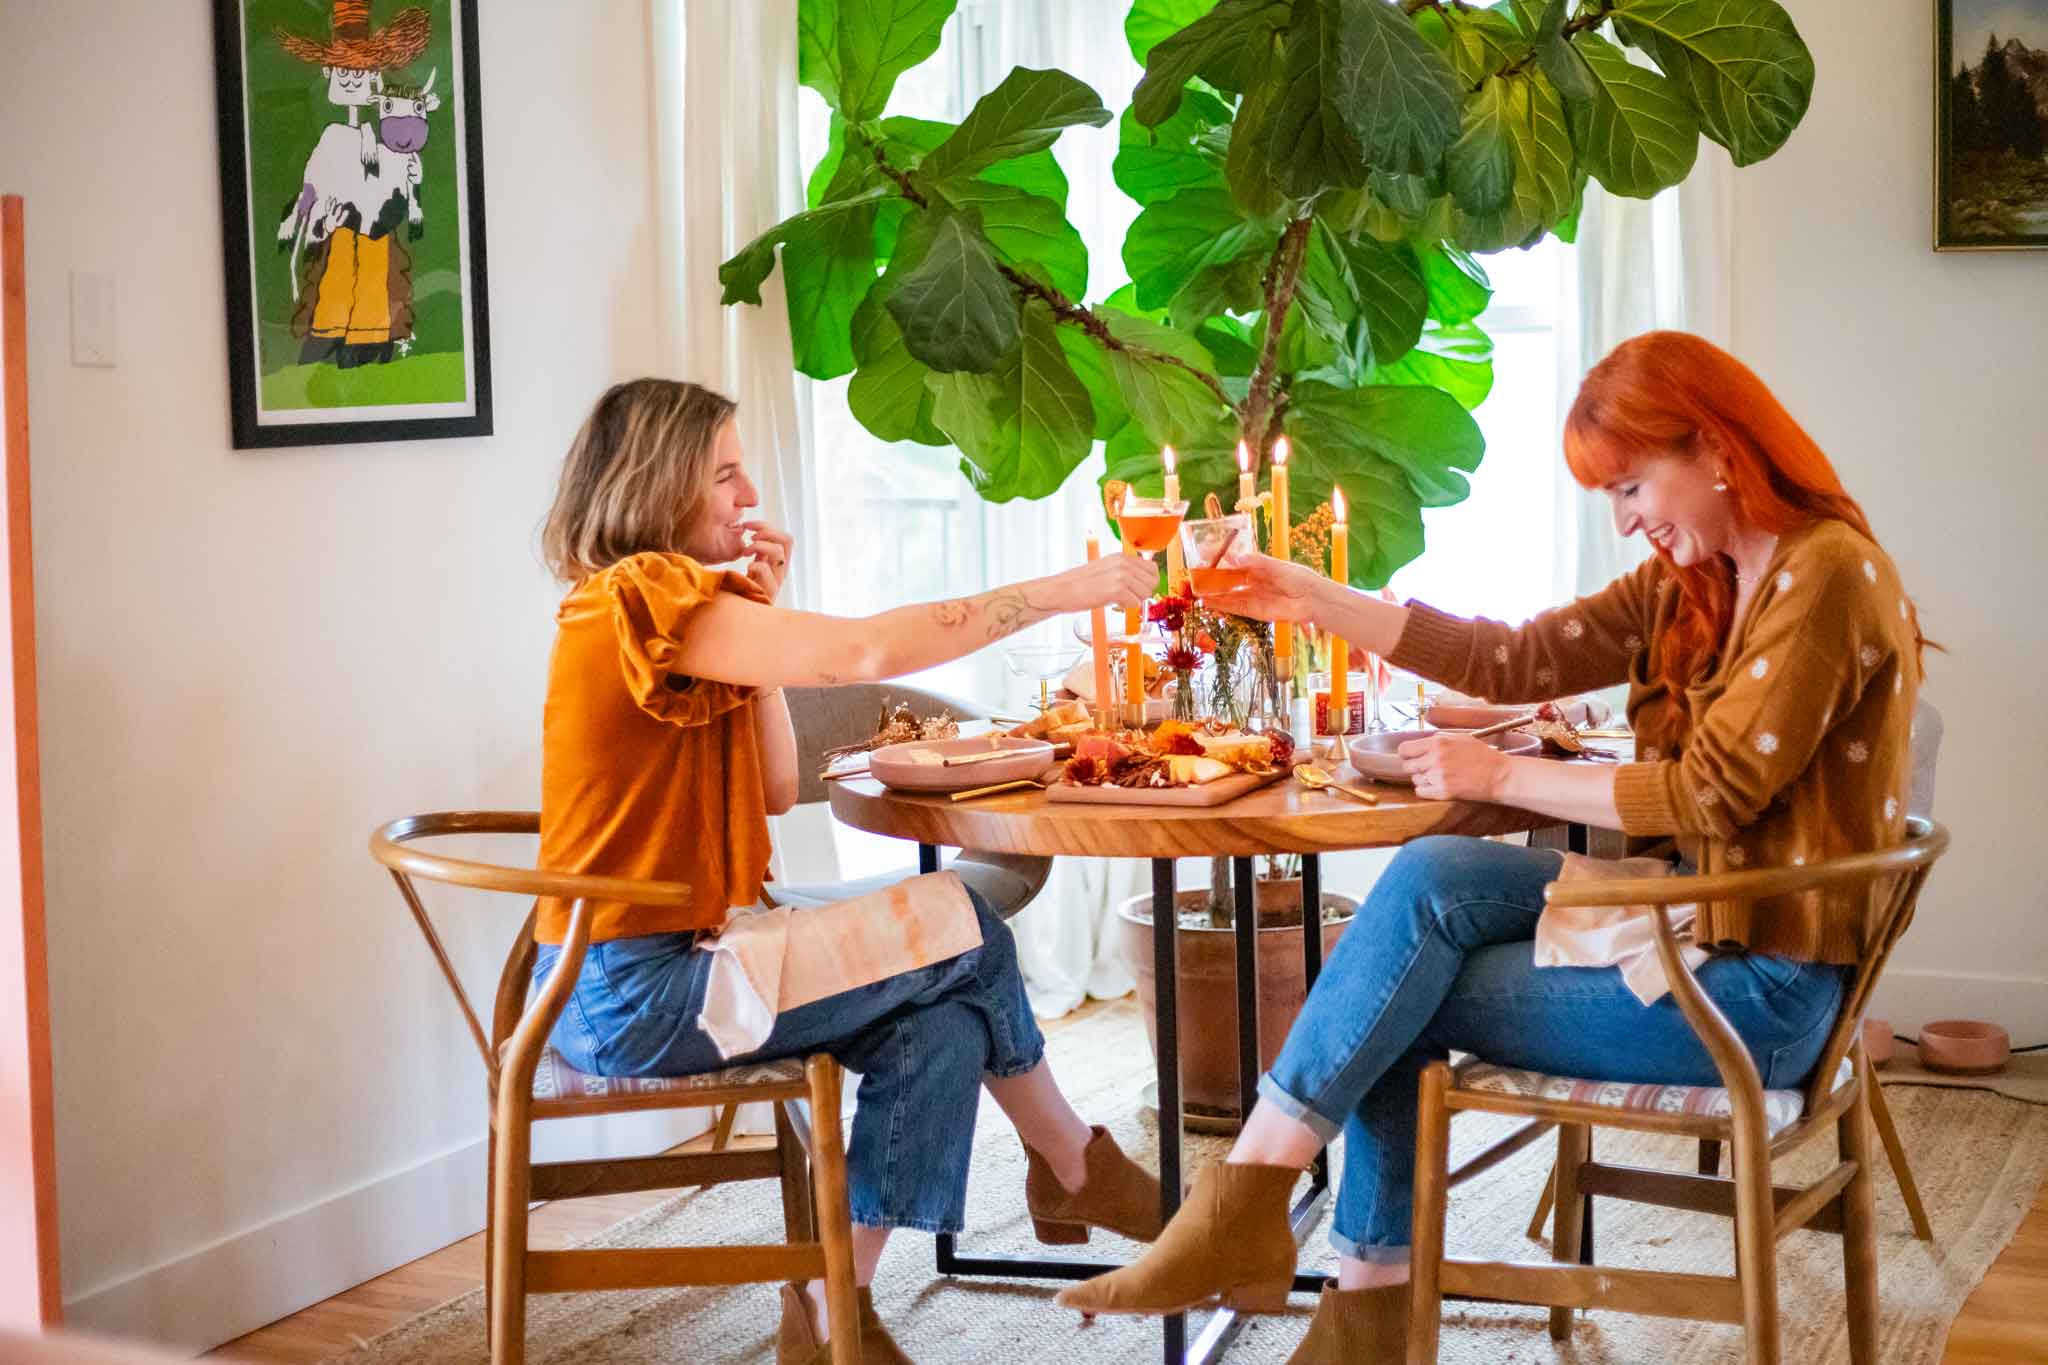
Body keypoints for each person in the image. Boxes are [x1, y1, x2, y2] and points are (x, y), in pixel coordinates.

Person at [1057, 331, 1930, 1362]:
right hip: (1690, 933)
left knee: (1387, 991)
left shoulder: (1826, 572)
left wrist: (1499, 776)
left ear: (1714, 448)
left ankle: (1305, 1264)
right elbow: (1509, 656)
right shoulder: (1695, 581)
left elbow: (1713, 789)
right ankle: (1291, 1241)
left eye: (1632, 486)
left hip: (1759, 998)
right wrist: (1304, 595)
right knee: (1427, 886)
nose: (1627, 520)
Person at [531, 378, 1164, 1364]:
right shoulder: (637, 594)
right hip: (638, 990)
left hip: (669, 969)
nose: (747, 498)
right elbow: (864, 647)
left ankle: (834, 1315)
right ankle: (1070, 1163)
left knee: (947, 1019)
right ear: (656, 486)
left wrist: (761, 628)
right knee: (972, 928)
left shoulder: (669, 614)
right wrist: (1059, 591)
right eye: (725, 474)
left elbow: (778, 786)